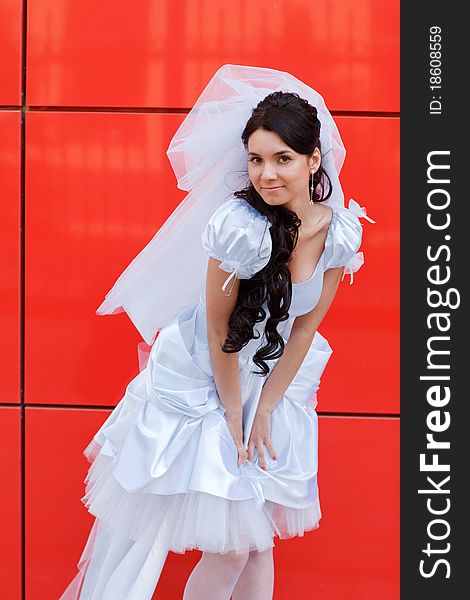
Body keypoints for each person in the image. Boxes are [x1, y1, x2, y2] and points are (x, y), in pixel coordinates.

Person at [60, 65, 374, 599]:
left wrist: (268, 407)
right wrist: (235, 414)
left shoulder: (337, 233)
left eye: (283, 159)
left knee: (256, 542)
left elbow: (303, 330)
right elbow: (217, 329)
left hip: (272, 379)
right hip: (207, 378)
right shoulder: (239, 228)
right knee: (230, 545)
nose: (267, 174)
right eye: (256, 159)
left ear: (313, 160)